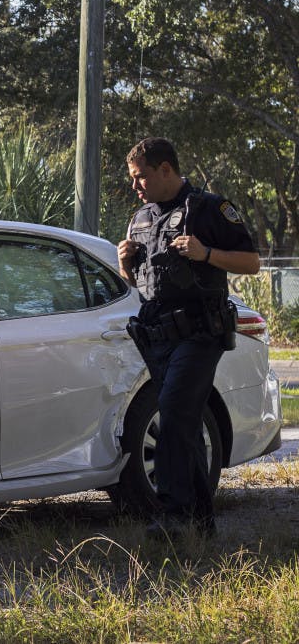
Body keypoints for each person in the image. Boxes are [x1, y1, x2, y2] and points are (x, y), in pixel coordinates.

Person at [117, 137, 260, 536]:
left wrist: (207, 254)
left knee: (175, 411)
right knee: (185, 420)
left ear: (166, 170)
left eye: (140, 176)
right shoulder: (141, 218)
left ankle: (174, 514)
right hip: (157, 336)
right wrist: (124, 265)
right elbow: (141, 283)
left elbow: (252, 262)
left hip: (201, 332)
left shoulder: (210, 208)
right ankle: (202, 521)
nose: (135, 186)